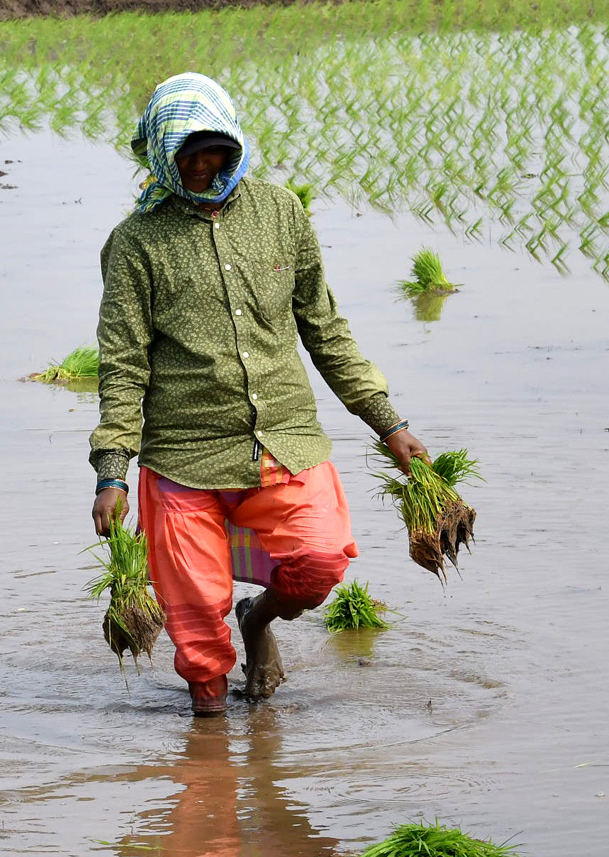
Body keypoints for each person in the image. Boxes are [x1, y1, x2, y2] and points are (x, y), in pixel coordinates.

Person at [89, 74, 427, 717]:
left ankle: (258, 619)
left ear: (234, 145)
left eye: (212, 150)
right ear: (161, 155)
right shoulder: (136, 243)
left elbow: (325, 331)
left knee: (321, 563)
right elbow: (123, 366)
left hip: (285, 440)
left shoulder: (281, 213)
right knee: (195, 631)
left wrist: (387, 422)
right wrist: (113, 474)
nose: (200, 165)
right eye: (184, 154)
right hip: (184, 457)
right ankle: (209, 752)